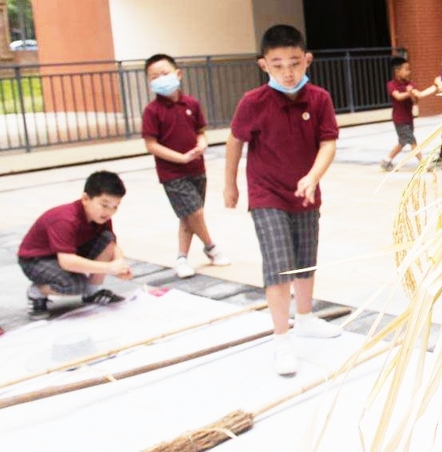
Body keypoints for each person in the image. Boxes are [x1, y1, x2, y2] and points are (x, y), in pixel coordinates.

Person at [224, 24, 341, 377]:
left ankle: (304, 318)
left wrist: (313, 176)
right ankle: (281, 339)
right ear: (264, 66)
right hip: (266, 193)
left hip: (305, 191)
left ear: (308, 60)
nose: (287, 72)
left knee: (305, 260)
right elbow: (234, 141)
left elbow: (328, 142)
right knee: (278, 264)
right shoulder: (253, 102)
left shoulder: (319, 98)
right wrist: (229, 184)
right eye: (277, 65)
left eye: (294, 62)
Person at [141, 53, 231, 279]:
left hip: (197, 168)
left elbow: (201, 133)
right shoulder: (152, 111)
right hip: (172, 173)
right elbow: (151, 144)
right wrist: (179, 158)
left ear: (177, 74)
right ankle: (211, 247)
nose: (160, 79)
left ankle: (182, 258)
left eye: (164, 73)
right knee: (195, 212)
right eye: (154, 76)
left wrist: (201, 146)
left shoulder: (192, 103)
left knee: (188, 216)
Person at [18, 170, 133, 314]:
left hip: (66, 252)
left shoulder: (101, 217)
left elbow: (111, 244)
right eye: (104, 205)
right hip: (36, 260)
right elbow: (67, 261)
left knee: (106, 238)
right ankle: (36, 292)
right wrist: (109, 268)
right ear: (85, 198)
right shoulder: (65, 219)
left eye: (115, 206)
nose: (109, 212)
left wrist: (121, 264)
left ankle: (92, 293)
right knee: (77, 285)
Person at [380, 58, 436, 171]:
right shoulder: (392, 85)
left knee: (403, 142)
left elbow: (415, 101)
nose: (408, 72)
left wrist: (412, 94)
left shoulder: (411, 84)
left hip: (409, 118)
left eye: (409, 69)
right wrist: (408, 92)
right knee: (412, 140)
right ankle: (423, 163)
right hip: (399, 119)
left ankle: (386, 161)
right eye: (406, 70)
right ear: (397, 71)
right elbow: (398, 96)